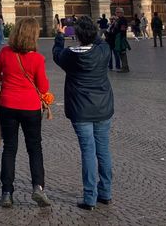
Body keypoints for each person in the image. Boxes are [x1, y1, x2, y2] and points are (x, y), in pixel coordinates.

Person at [0, 17, 51, 208]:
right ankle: (38, 188)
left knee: (10, 149)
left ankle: (7, 192)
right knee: (34, 148)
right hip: (31, 107)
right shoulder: (38, 59)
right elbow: (43, 86)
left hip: (8, 105)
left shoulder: (6, 52)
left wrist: (4, 80)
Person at [52, 16, 113, 211]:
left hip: (81, 110)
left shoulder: (70, 55)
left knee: (88, 151)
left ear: (76, 35)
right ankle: (106, 192)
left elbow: (56, 54)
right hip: (103, 107)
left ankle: (90, 197)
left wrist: (59, 36)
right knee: (103, 150)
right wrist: (90, 29)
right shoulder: (103, 51)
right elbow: (100, 41)